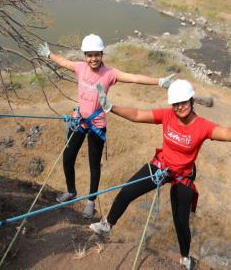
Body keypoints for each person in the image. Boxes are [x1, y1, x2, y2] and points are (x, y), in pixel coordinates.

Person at [90, 79, 231, 270]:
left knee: (181, 221)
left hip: (182, 175)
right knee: (127, 191)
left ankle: (185, 257)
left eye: (183, 102)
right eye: (176, 103)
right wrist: (110, 107)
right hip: (161, 166)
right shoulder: (167, 115)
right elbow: (137, 114)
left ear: (192, 100)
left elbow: (226, 133)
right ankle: (107, 225)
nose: (179, 107)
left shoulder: (202, 126)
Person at [37, 34, 175, 219]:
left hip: (97, 124)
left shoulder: (110, 74)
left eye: (97, 55)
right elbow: (64, 62)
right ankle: (71, 191)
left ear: (102, 54)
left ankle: (91, 201)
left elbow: (134, 78)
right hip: (79, 120)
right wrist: (48, 55)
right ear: (85, 55)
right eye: (89, 55)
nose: (93, 59)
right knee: (68, 157)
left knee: (94, 164)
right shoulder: (80, 68)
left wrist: (158, 81)